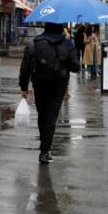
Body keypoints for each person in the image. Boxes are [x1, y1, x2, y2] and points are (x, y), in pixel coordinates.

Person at [19, 22, 81, 164]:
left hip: (39, 83)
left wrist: (24, 87)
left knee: (42, 114)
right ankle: (45, 151)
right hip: (58, 85)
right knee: (51, 116)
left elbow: (25, 68)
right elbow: (76, 67)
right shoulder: (66, 44)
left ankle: (44, 143)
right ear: (60, 28)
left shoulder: (34, 44)